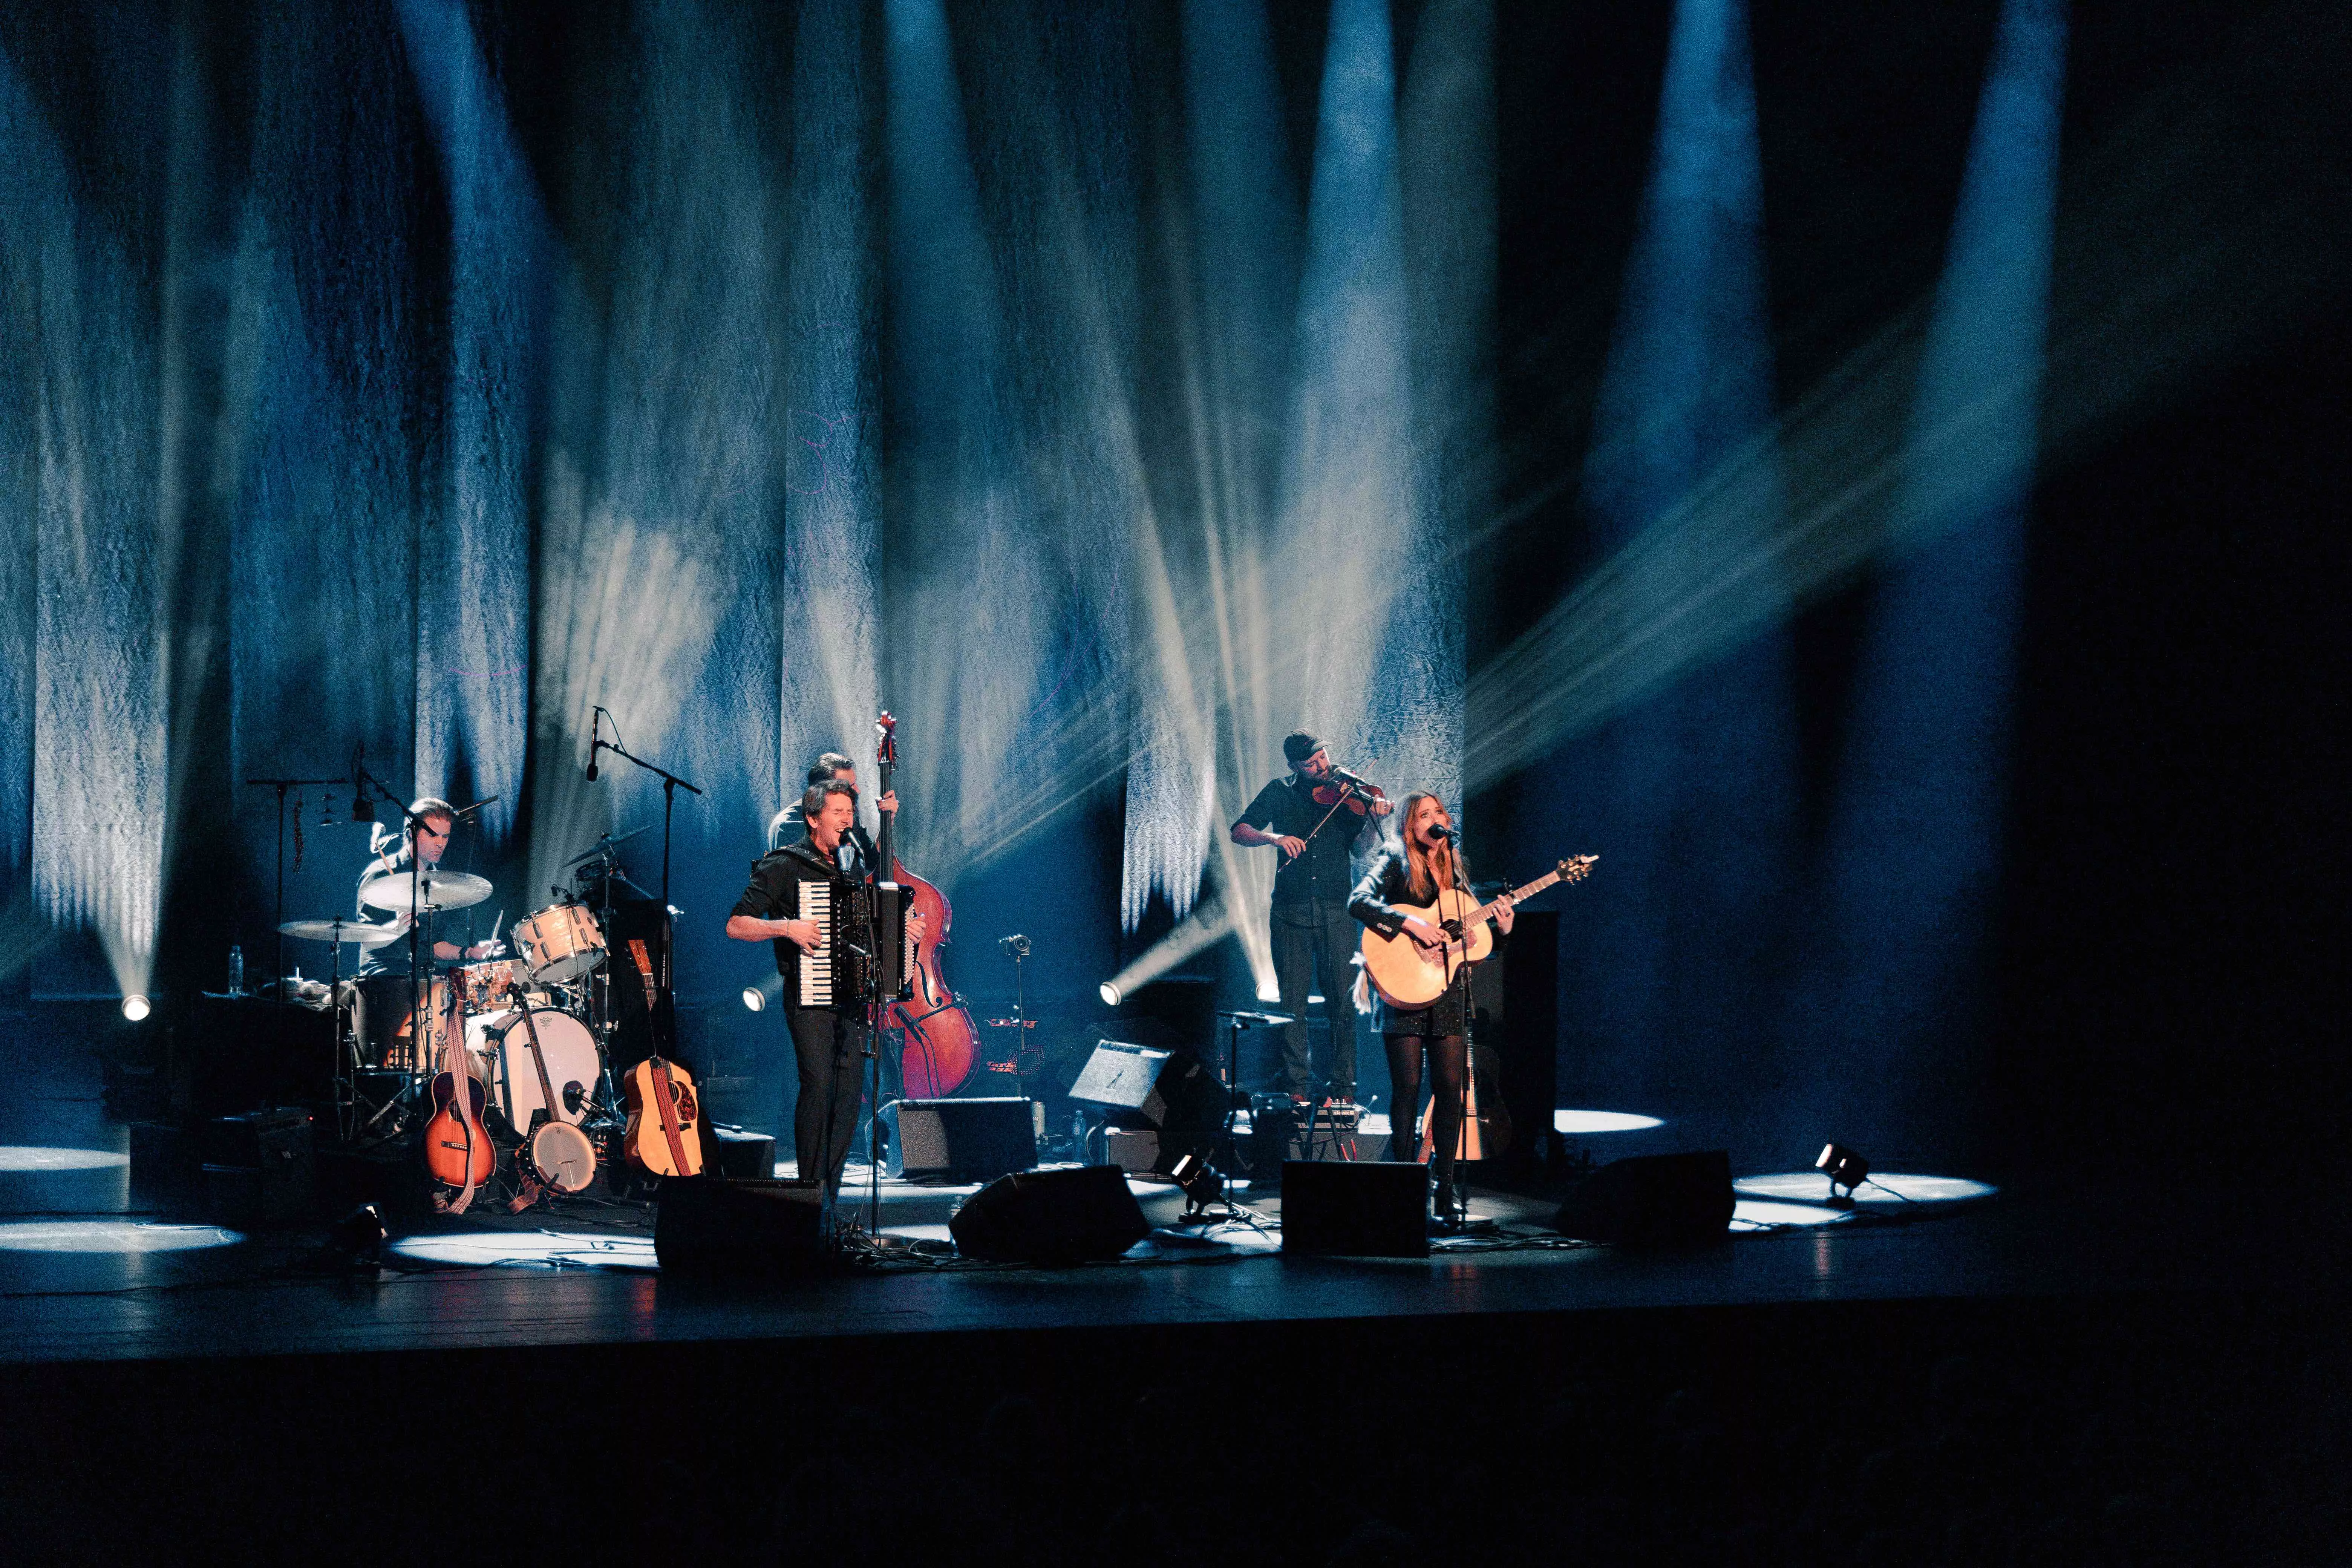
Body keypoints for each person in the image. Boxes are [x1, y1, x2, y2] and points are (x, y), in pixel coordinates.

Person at [1348, 791, 1512, 1216]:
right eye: (1425, 814)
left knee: (1451, 1092)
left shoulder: (1455, 869)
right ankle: (1403, 1183)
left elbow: (1471, 942)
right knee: (1406, 1090)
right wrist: (1411, 923)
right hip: (1402, 984)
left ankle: (1443, 1185)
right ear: (1409, 824)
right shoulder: (1394, 857)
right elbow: (1359, 902)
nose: (1435, 819)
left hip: (1449, 990)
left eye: (1439, 812)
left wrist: (1501, 931)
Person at [1231, 731, 1393, 1106]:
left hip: (1337, 910)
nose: (1321, 766)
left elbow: (1361, 848)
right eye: (1311, 763)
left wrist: (1372, 819)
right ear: (1294, 766)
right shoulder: (1279, 790)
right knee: (1293, 1007)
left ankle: (1343, 1090)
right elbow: (1240, 830)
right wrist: (1274, 838)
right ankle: (1298, 1089)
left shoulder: (1348, 790)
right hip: (1290, 912)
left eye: (1322, 758)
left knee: (1342, 1003)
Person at [727, 780, 873, 1194]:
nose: (848, 820)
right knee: (819, 1086)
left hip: (851, 1000)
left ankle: (832, 1192)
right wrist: (787, 926)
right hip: (808, 996)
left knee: (848, 1097)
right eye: (838, 812)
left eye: (851, 812)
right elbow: (736, 924)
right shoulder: (785, 863)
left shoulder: (853, 866)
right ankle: (810, 1191)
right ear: (813, 818)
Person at [354, 797, 501, 968]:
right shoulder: (381, 874)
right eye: (432, 835)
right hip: (384, 975)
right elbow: (366, 941)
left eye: (445, 836)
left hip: (423, 975)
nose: (440, 844)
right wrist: (397, 929)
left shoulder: (437, 881)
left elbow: (432, 946)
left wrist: (470, 953)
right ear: (411, 834)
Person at [766, 752, 897, 874]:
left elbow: (872, 862)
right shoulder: (788, 826)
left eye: (855, 784)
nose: (857, 791)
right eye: (850, 787)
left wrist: (887, 820)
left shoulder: (849, 817)